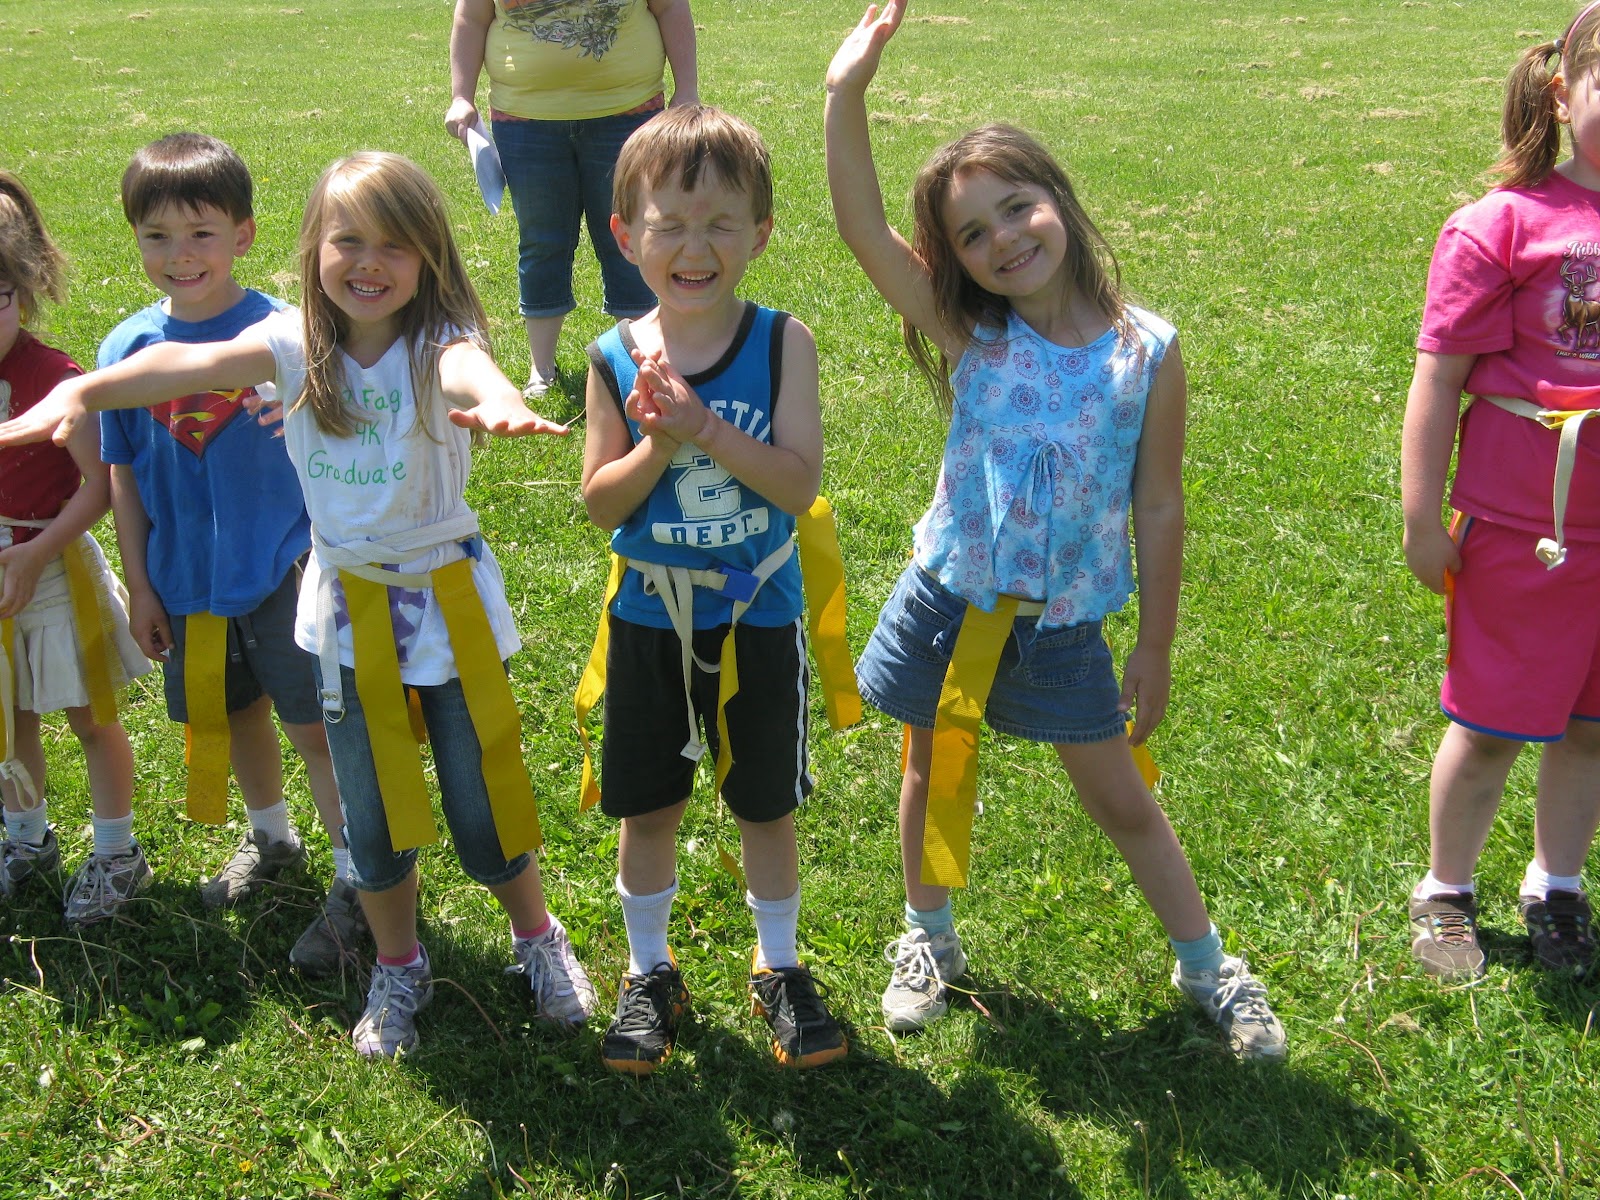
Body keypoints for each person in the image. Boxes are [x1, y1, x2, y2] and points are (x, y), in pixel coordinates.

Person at [0, 152, 595, 1058]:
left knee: (483, 811)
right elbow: (178, 363)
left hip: (448, 613)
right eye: (347, 240)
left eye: (394, 245)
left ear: (429, 257)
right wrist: (81, 389)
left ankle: (535, 938)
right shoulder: (288, 349)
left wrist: (504, 400)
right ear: (313, 249)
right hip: (345, 624)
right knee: (375, 813)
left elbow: (475, 372)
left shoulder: (438, 343)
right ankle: (399, 963)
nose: (369, 262)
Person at [824, 1, 1286, 1060]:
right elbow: (857, 227)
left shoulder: (1148, 352)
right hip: (947, 598)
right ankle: (928, 938)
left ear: (1060, 203)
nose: (1000, 241)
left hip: (1063, 625)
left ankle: (1207, 963)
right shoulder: (969, 331)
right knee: (929, 767)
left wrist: (1156, 645)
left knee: (1121, 800)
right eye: (970, 235)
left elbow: (1158, 502)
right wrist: (844, 91)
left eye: (1014, 208)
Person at [579, 104, 847, 1074]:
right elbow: (603, 505)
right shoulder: (614, 357)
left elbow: (796, 483)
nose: (695, 247)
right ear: (626, 235)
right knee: (647, 805)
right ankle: (649, 972)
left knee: (763, 801)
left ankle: (777, 965)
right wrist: (658, 438)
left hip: (757, 615)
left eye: (721, 223)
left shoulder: (783, 343)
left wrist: (703, 429)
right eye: (669, 224)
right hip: (649, 616)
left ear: (760, 235)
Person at [90, 133, 362, 971]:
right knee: (233, 711)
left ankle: (357, 878)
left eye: (201, 233)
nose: (180, 256)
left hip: (286, 576)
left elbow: (342, 453)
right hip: (187, 583)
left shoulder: (288, 335)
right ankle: (271, 838)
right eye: (157, 236)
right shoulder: (125, 351)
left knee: (315, 729)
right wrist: (140, 586)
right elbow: (124, 479)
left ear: (243, 234)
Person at [1402, 2, 1600, 981]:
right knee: (1486, 731)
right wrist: (1418, 515)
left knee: (1591, 728)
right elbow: (1438, 379)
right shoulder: (1499, 227)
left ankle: (1556, 887)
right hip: (1527, 533)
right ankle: (1445, 891)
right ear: (1562, 93)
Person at [0, 169, 152, 925]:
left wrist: (32, 555)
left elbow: (98, 488)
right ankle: (25, 839)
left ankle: (118, 852)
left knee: (90, 718)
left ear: (23, 291)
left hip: (53, 571)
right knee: (7, 718)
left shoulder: (59, 379)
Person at [445, 0, 698, 397]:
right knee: (542, 241)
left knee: (630, 239)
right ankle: (541, 369)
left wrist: (687, 89)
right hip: (525, 120)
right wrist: (461, 96)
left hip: (629, 113)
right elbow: (472, 17)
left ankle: (639, 363)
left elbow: (670, 8)